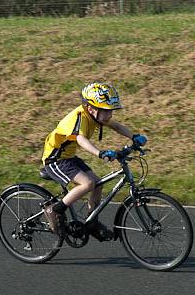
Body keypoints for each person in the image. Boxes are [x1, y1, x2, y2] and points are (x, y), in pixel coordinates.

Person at [41, 82, 147, 241]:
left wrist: (133, 137)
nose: (109, 114)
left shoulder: (97, 116)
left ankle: (92, 221)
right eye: (106, 110)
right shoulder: (79, 118)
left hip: (68, 157)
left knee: (98, 183)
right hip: (55, 159)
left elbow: (117, 126)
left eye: (111, 110)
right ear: (91, 108)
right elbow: (81, 139)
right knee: (88, 184)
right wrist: (100, 153)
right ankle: (54, 210)